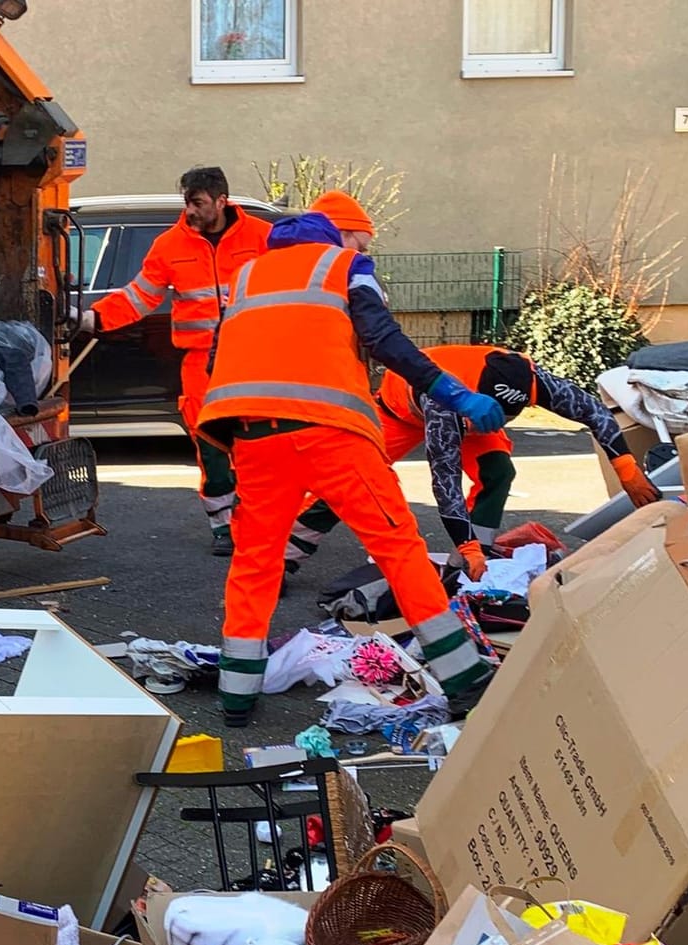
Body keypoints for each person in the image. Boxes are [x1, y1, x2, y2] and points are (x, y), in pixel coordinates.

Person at [197, 191, 507, 728]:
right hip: (331, 435)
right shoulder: (344, 266)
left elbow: (215, 359)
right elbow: (383, 338)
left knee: (255, 561)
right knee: (397, 548)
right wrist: (455, 394)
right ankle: (464, 679)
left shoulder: (246, 279)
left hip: (254, 440)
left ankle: (236, 695)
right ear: (334, 237)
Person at [79, 167, 334, 560]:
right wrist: (96, 318)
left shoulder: (262, 238)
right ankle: (221, 526)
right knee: (211, 446)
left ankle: (256, 523)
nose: (190, 211)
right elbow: (140, 295)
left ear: (220, 200)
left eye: (197, 203)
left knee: (257, 446)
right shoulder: (170, 245)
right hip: (200, 361)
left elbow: (296, 279)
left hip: (255, 358)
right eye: (187, 202)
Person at [284, 344, 663, 580]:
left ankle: (460, 571)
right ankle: (289, 556)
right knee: (352, 480)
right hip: (400, 413)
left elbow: (595, 412)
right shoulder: (444, 398)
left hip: (476, 414)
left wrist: (627, 470)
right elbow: (444, 478)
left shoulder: (533, 379)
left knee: (498, 472)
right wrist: (464, 542)